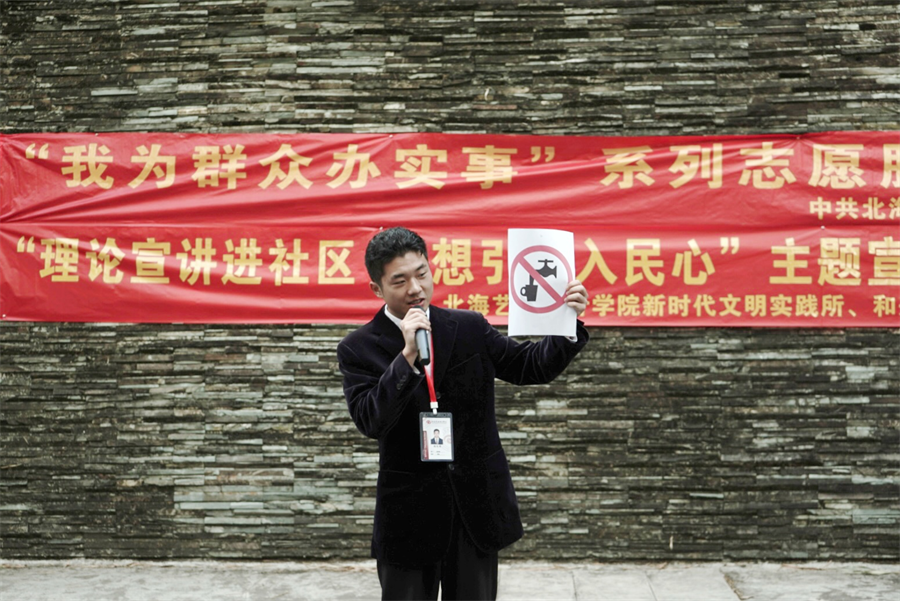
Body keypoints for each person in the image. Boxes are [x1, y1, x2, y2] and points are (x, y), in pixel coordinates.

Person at [337, 227, 589, 601]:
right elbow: (371, 419)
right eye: (400, 281)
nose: (415, 289)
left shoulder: (468, 326)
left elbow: (528, 366)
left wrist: (566, 324)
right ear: (377, 288)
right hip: (409, 516)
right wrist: (407, 356)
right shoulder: (358, 348)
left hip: (475, 509)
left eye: (422, 273)